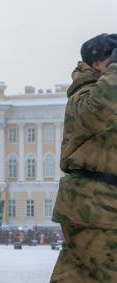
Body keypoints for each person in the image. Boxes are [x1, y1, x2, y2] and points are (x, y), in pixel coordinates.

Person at [50, 33, 117, 282]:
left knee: (76, 276)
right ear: (100, 64)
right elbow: (96, 112)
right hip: (96, 207)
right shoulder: (84, 94)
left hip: (99, 207)